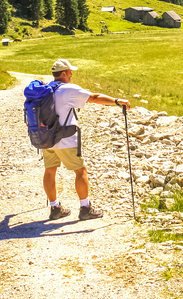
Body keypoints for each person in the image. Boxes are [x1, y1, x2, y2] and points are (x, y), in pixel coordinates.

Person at [43, 58, 130, 221]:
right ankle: (85, 208)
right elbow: (94, 97)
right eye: (70, 72)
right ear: (63, 73)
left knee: (50, 170)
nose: (71, 75)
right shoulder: (68, 89)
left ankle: (55, 208)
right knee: (80, 170)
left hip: (46, 138)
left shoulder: (45, 89)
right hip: (65, 138)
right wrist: (117, 101)